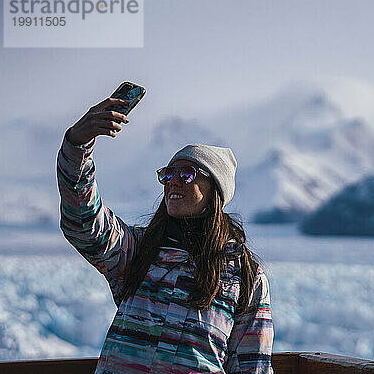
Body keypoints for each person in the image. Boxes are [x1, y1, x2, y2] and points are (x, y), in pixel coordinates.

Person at [56, 97, 274, 373]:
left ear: (215, 191)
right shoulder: (137, 250)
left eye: (186, 174)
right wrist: (78, 145)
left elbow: (252, 366)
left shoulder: (245, 276)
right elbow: (84, 220)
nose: (172, 180)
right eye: (168, 174)